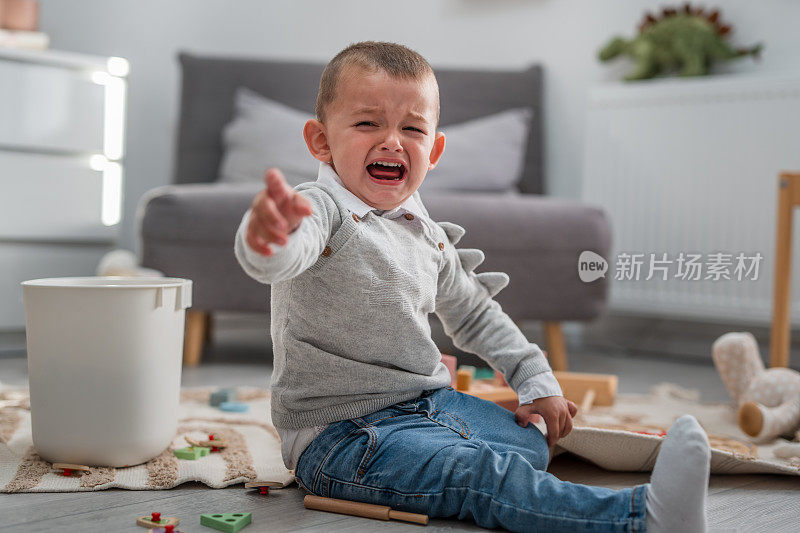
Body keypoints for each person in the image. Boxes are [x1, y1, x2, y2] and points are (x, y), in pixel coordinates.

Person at [234, 41, 711, 533]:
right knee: (479, 473)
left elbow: (477, 314)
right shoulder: (320, 209)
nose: (392, 141)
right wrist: (268, 241)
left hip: (424, 404)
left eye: (412, 128)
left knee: (529, 442)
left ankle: (465, 469)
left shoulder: (427, 234)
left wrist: (535, 380)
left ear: (434, 149)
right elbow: (287, 250)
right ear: (321, 141)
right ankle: (640, 518)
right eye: (367, 123)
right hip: (341, 437)